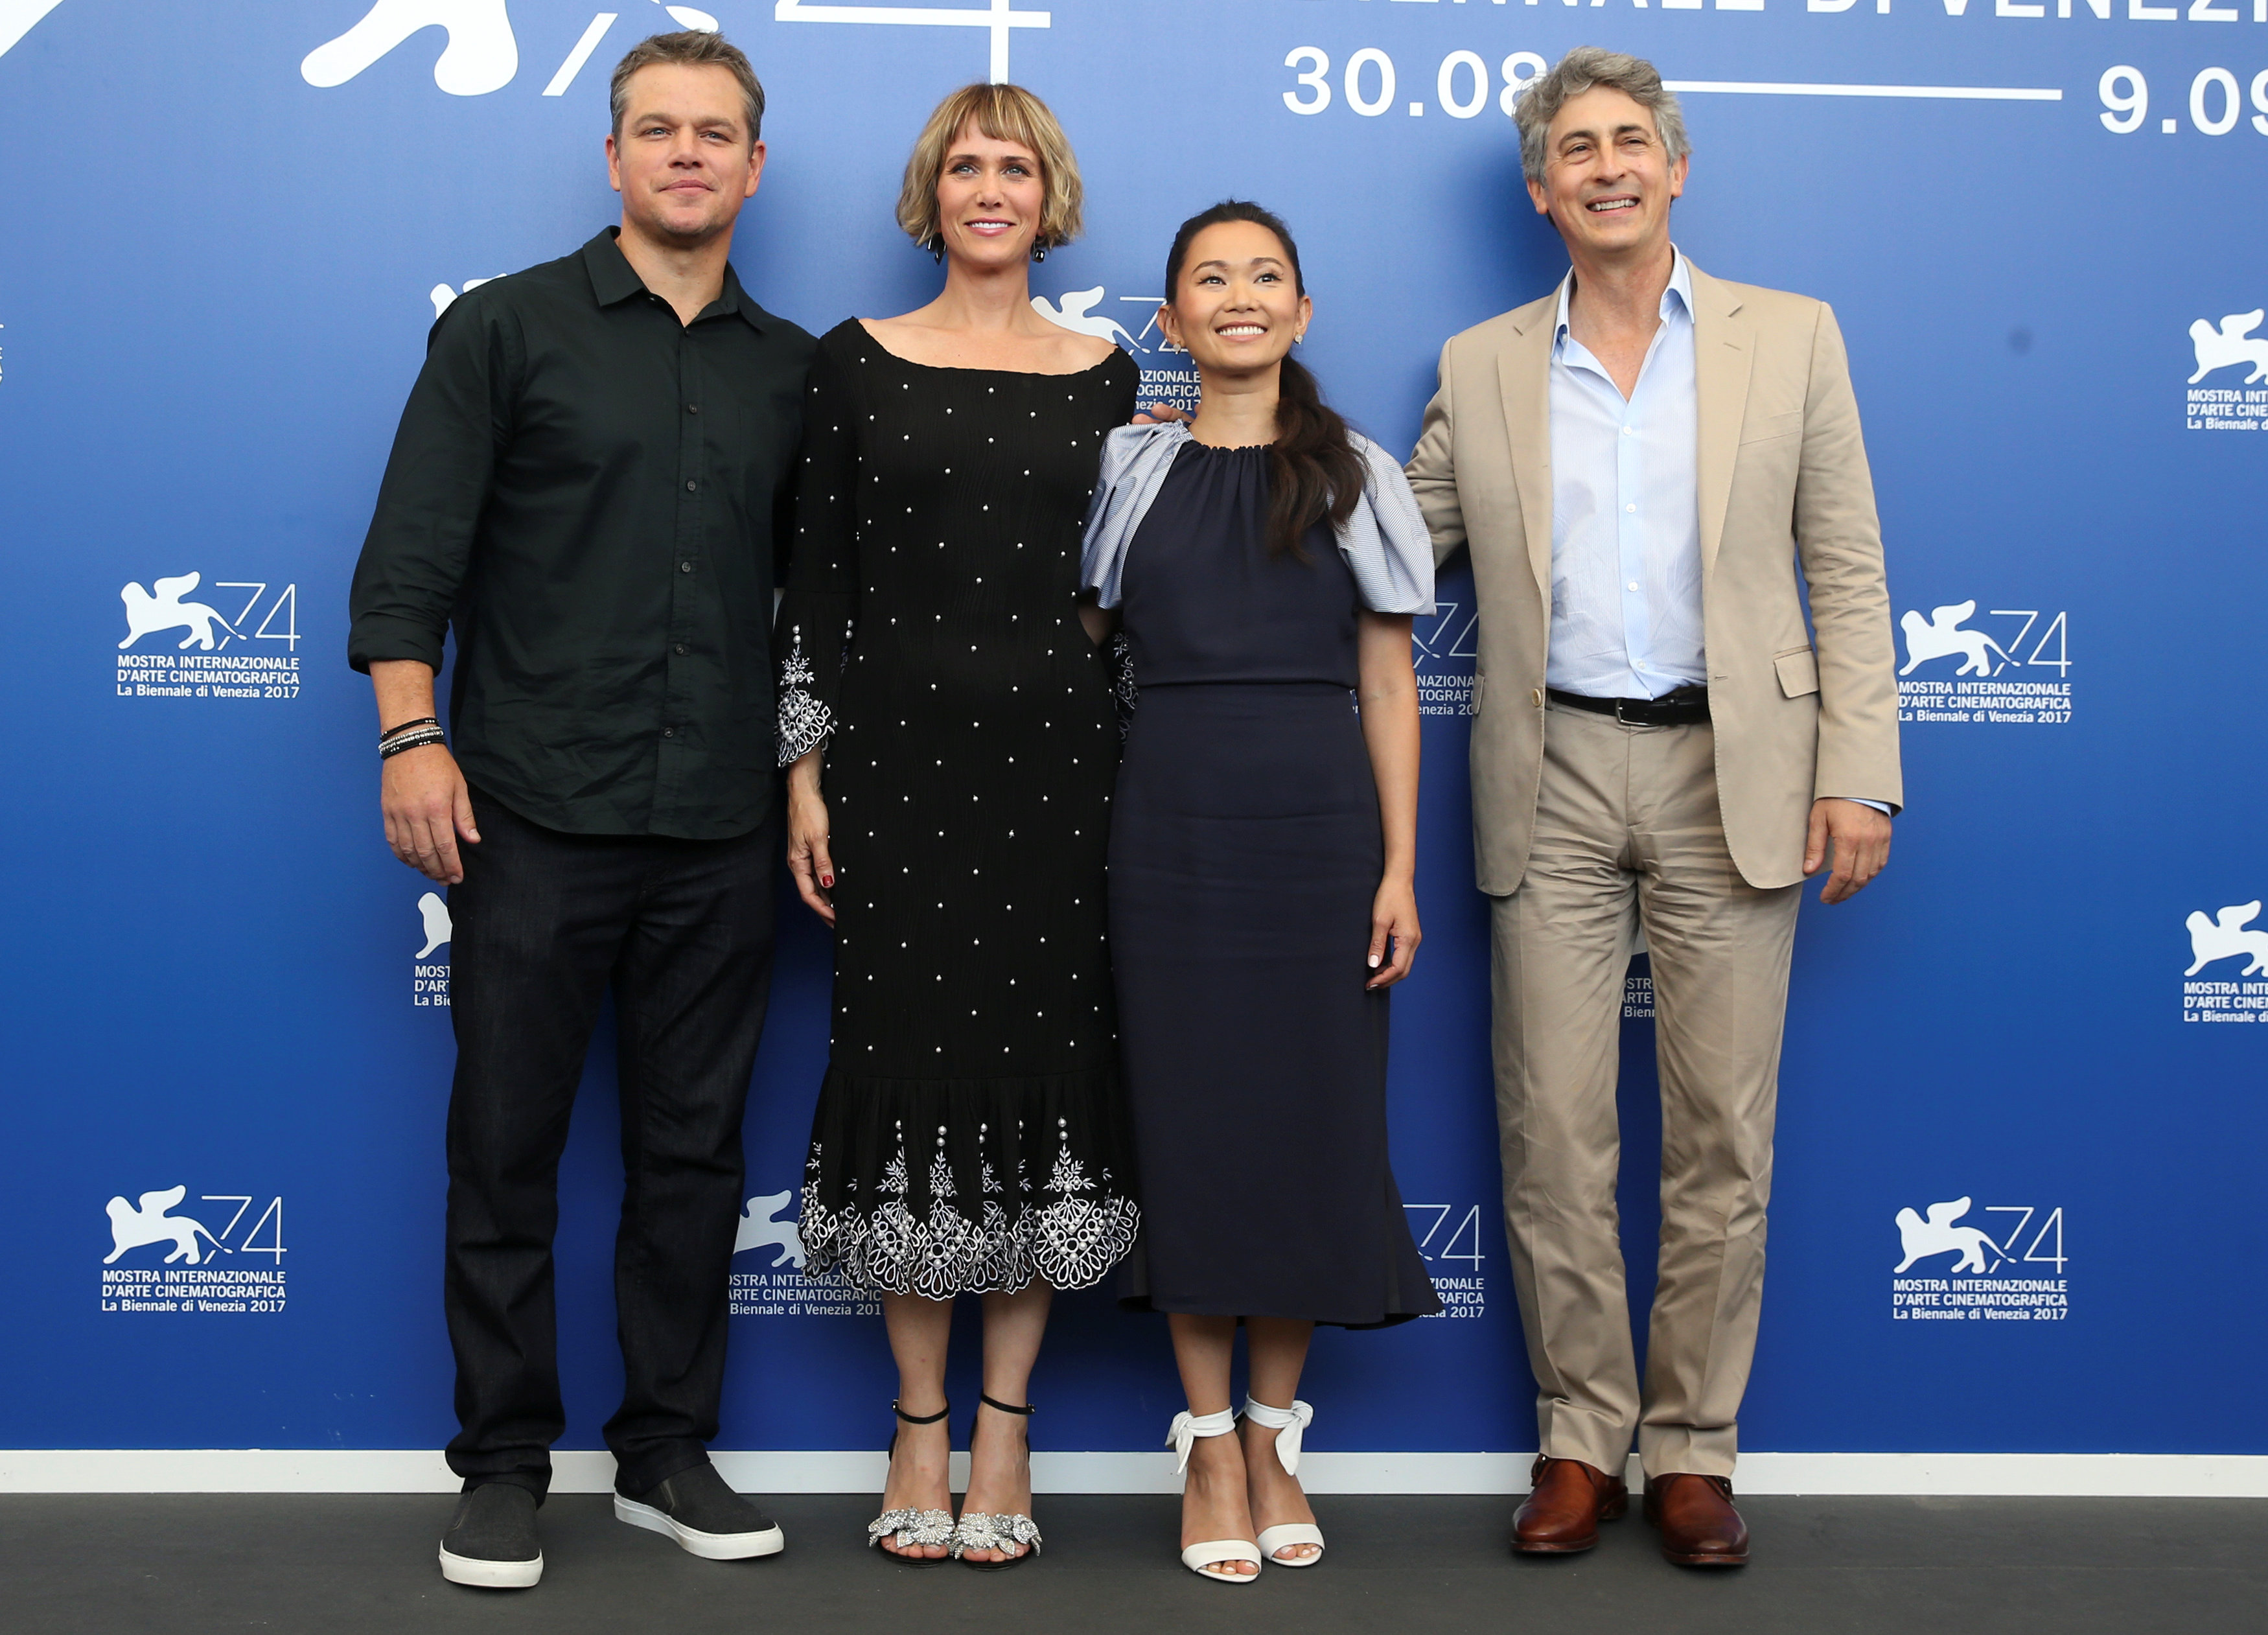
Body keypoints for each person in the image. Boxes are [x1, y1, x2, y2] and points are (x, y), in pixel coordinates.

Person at [1406, 47, 1902, 1569]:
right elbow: (1387, 540)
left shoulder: (1791, 337)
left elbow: (1848, 565)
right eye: (1577, 147)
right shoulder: (1481, 359)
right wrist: (1218, 472)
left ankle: (1691, 1447)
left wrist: (1857, 769)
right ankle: (1578, 1438)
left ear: (1674, 169)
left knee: (1719, 1139)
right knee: (1552, 1131)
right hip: (1544, 770)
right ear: (1540, 187)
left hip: (1731, 769)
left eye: (1634, 141)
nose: (1608, 164)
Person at [345, 31, 812, 1590]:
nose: (688, 153)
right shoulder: (505, 330)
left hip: (721, 820)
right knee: (507, 1147)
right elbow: (411, 558)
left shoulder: (793, 367)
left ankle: (666, 1448)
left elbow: (825, 610)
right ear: (613, 158)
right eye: (658, 130)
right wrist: (412, 734)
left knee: (693, 1154)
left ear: (755, 166)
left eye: (717, 133)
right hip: (529, 810)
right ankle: (501, 1465)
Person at [775, 82, 1140, 1570]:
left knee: (1045, 1070)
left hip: (1066, 775)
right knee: (910, 1067)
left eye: (1016, 166)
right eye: (965, 165)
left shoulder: (1112, 376)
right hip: (896, 772)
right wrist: (801, 774)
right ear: (929, 192)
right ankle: (915, 1421)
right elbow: (812, 582)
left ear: (1051, 194)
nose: (990, 187)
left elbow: (1129, 604)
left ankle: (1007, 1420)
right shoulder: (851, 367)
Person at [1082, 201, 1444, 1585]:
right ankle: (1207, 1442)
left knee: (1304, 1121)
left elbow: (1392, 682)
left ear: (1301, 311)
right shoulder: (1130, 464)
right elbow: (1080, 644)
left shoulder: (1352, 468)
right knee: (1189, 1127)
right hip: (1166, 822)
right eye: (1209, 280)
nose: (1239, 296)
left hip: (1318, 832)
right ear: (1169, 322)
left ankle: (1275, 1430)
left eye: (1266, 276)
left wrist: (1399, 864)